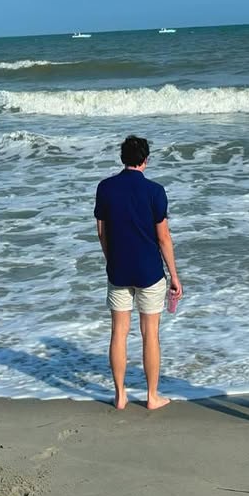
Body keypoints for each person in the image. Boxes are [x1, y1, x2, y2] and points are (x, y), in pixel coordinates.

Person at [94, 135, 183, 411]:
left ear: (123, 158)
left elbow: (101, 232)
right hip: (149, 271)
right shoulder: (155, 191)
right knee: (150, 334)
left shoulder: (105, 188)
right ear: (146, 160)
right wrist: (174, 275)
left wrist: (111, 260)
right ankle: (152, 396)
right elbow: (163, 237)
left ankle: (120, 395)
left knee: (118, 332)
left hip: (118, 269)